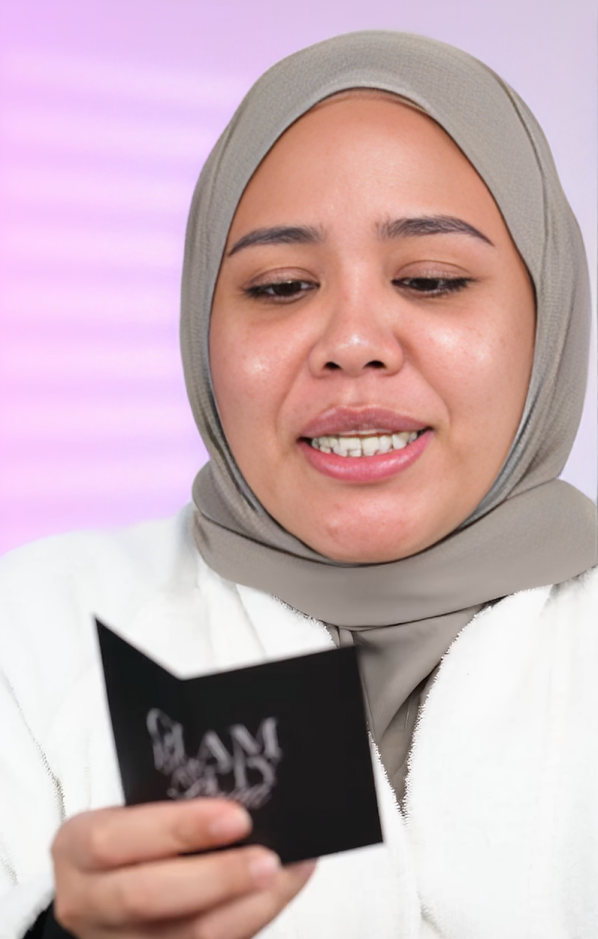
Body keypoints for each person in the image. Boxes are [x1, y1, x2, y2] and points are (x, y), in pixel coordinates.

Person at [2, 29, 596, 939]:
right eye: (280, 287)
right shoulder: (31, 635)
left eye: (431, 279)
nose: (353, 341)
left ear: (548, 315)